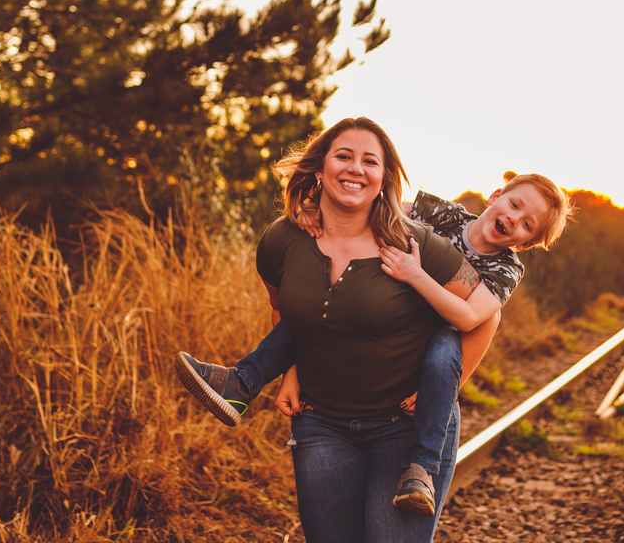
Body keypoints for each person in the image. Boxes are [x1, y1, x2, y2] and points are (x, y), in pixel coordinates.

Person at [177, 121, 572, 526]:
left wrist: (444, 384)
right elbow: (381, 208)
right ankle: (241, 382)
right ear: (496, 196)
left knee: (441, 359)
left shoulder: (502, 267)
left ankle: (421, 465)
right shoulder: (443, 213)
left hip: (442, 330)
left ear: (526, 243)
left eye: (527, 225)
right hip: (362, 357)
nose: (514, 220)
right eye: (515, 206)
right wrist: (314, 208)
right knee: (316, 309)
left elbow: (481, 317)